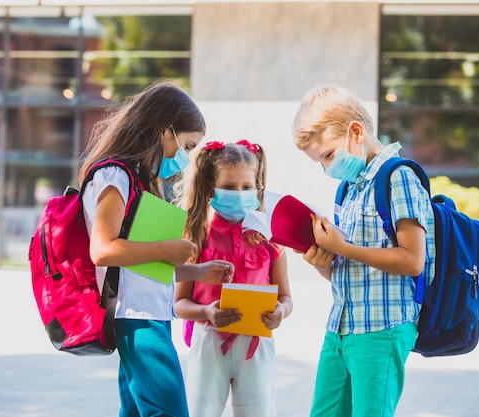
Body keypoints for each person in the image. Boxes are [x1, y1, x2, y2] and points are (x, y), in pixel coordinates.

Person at [79, 80, 234, 417]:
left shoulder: (137, 179)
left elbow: (138, 262)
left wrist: (196, 271)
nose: (186, 157)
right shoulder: (113, 176)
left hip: (149, 314)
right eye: (187, 145)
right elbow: (103, 251)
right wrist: (166, 248)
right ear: (166, 131)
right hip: (136, 318)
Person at [291, 84, 436, 417]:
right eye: (320, 162)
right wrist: (322, 261)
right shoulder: (349, 190)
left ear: (355, 131)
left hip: (381, 330)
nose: (327, 168)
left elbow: (412, 260)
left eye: (327, 155)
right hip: (341, 328)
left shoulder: (398, 177)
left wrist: (344, 247)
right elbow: (351, 269)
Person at [174, 140, 293, 417]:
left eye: (246, 187)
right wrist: (205, 311)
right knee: (200, 412)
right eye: (228, 187)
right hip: (208, 340)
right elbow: (178, 303)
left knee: (258, 412)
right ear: (210, 188)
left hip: (257, 341)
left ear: (257, 187)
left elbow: (286, 298)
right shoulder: (196, 236)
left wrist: (281, 312)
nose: (238, 193)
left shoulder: (269, 240)